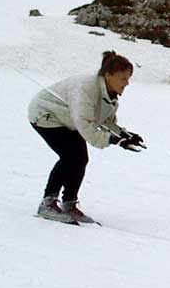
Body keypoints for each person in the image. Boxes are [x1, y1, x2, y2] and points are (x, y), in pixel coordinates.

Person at [28, 51, 144, 224]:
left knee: (80, 158)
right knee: (70, 156)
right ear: (108, 75)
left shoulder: (109, 94)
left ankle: (69, 203)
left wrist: (124, 135)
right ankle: (48, 203)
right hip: (46, 115)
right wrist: (113, 140)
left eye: (128, 78)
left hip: (68, 119)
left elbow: (104, 120)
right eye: (123, 78)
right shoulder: (86, 88)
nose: (127, 83)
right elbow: (85, 125)